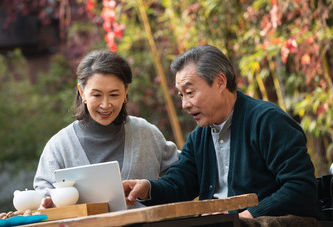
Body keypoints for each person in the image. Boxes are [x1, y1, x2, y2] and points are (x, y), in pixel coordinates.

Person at [123, 45, 326, 220]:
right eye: (181, 95)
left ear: (220, 82)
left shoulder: (267, 121)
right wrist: (147, 188)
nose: (184, 104)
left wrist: (245, 217)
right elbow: (179, 184)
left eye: (190, 92)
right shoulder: (198, 137)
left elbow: (300, 187)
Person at [34, 50, 179, 208]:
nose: (105, 105)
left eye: (114, 95)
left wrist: (150, 189)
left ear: (125, 92)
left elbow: (181, 176)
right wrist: (48, 204)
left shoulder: (146, 134)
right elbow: (44, 196)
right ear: (82, 92)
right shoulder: (59, 147)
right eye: (97, 95)